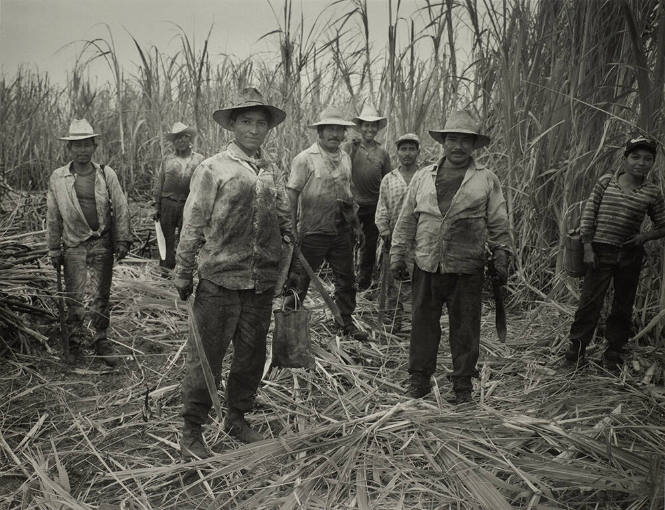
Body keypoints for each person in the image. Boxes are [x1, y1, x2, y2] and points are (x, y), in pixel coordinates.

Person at [174, 88, 292, 459]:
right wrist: (183, 270)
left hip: (259, 282)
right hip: (220, 280)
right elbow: (193, 222)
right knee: (206, 356)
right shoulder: (213, 168)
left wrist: (287, 250)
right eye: (246, 121)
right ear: (233, 126)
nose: (254, 129)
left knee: (251, 355)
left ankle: (237, 417)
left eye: (261, 123)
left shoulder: (271, 170)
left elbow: (285, 218)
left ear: (268, 128)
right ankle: (192, 429)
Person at [390, 111, 510, 404]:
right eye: (452, 139)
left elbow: (498, 222)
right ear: (443, 142)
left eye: (465, 141)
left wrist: (503, 254)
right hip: (427, 263)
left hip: (467, 267)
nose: (458, 146)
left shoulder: (486, 179)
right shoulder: (423, 177)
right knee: (422, 325)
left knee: (465, 329)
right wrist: (398, 253)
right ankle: (418, 380)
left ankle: (462, 386)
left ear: (474, 146)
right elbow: (407, 219)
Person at [565, 135, 665, 369]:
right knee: (590, 302)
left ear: (652, 163)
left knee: (623, 304)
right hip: (599, 251)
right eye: (635, 157)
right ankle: (576, 352)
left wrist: (644, 237)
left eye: (647, 159)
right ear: (625, 158)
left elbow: (663, 224)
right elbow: (589, 214)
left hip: (630, 253)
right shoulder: (606, 182)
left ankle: (613, 353)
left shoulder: (652, 192)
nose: (641, 163)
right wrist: (588, 248)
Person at [46, 119, 131, 366]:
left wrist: (123, 238)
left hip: (101, 243)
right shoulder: (58, 178)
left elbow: (121, 206)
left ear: (94, 146)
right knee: (74, 296)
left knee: (100, 295)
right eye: (77, 146)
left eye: (86, 145)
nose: (82, 150)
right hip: (73, 245)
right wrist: (53, 247)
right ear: (69, 149)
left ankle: (101, 339)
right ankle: (74, 341)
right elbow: (53, 214)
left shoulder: (106, 173)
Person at [283, 106, 369, 341]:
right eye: (329, 129)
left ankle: (345, 321)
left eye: (339, 130)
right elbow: (291, 195)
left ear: (344, 134)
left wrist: (356, 226)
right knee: (299, 278)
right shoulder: (304, 159)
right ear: (319, 132)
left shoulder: (344, 157)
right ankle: (290, 322)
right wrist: (290, 228)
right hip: (312, 231)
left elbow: (348, 193)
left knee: (346, 279)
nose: (334, 134)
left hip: (341, 230)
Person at [375, 133, 421, 331]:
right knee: (392, 282)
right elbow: (382, 207)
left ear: (418, 152)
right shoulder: (389, 179)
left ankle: (416, 324)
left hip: (420, 240)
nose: (407, 153)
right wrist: (385, 232)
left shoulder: (425, 176)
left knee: (417, 282)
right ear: (398, 152)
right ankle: (392, 324)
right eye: (404, 149)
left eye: (412, 149)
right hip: (393, 238)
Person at [344, 103, 392, 291]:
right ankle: (346, 283)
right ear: (360, 127)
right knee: (347, 245)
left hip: (374, 206)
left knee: (369, 246)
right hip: (351, 205)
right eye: (366, 125)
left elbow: (388, 179)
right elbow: (341, 170)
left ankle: (363, 283)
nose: (370, 129)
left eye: (373, 125)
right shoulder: (349, 147)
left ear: (378, 128)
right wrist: (353, 149)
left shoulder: (383, 153)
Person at [153, 122, 204, 271]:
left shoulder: (199, 160)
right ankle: (165, 270)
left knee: (186, 238)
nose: (181, 141)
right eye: (177, 138)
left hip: (188, 204)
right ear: (173, 142)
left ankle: (183, 271)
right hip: (167, 202)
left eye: (184, 137)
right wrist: (157, 206)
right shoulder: (167, 160)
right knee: (166, 239)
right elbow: (159, 184)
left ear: (190, 140)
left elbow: (203, 185)